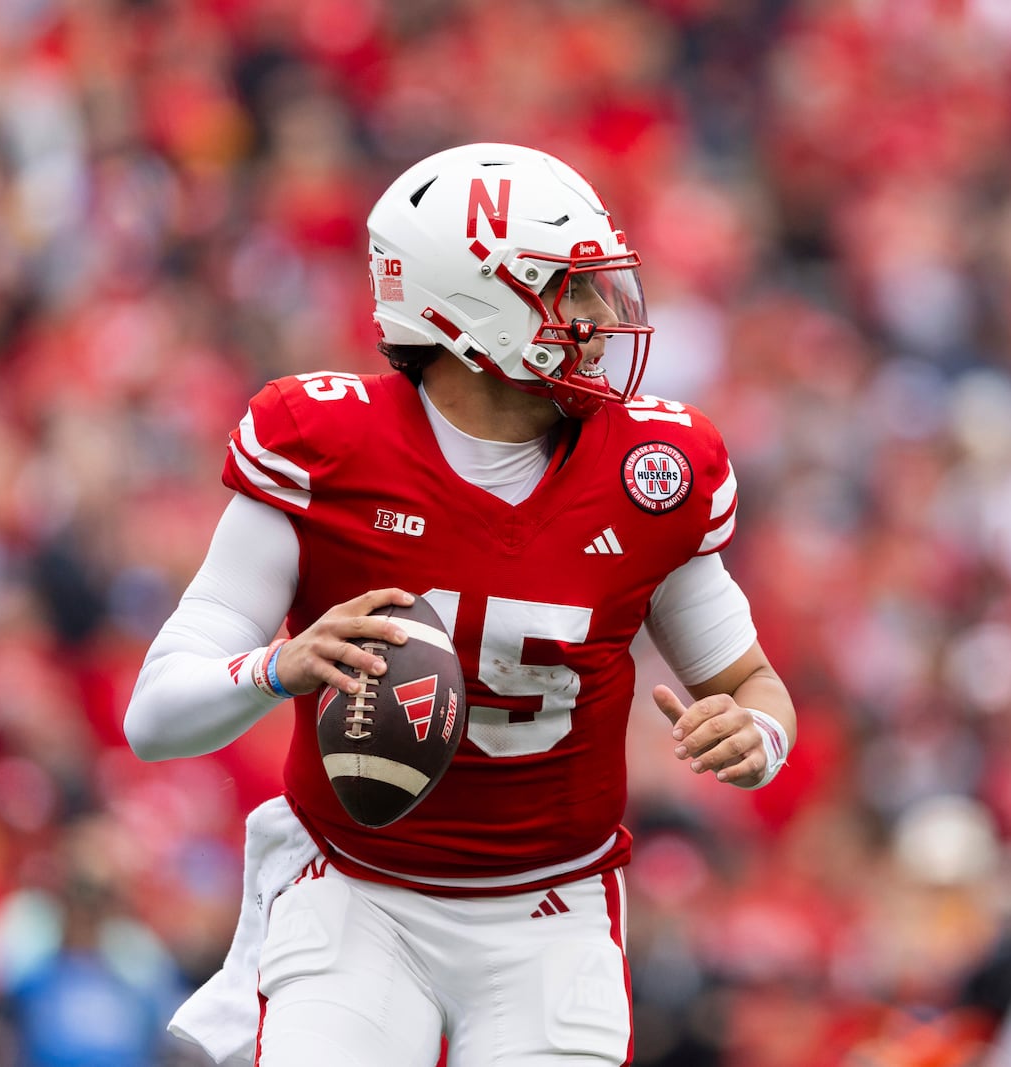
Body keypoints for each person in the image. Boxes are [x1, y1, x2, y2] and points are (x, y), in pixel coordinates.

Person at [122, 142, 797, 1067]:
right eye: (570, 288)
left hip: (552, 914)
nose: (602, 318)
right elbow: (155, 717)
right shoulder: (324, 447)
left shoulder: (654, 473)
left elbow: (755, 685)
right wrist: (280, 666)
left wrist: (755, 739)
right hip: (358, 890)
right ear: (472, 300)